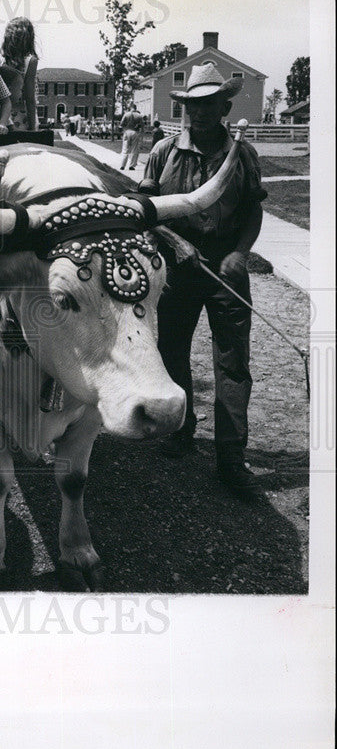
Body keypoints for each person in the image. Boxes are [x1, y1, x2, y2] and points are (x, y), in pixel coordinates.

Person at [138, 63, 267, 498]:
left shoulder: (242, 154)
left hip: (225, 267)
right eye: (192, 105)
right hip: (178, 265)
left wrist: (239, 253)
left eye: (208, 104)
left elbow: (254, 209)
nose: (199, 113)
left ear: (225, 106)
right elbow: (146, 211)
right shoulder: (163, 151)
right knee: (171, 348)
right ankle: (182, 429)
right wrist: (174, 243)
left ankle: (231, 458)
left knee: (232, 361)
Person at [0, 16, 39, 131]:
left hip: (3, 115)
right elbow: (29, 98)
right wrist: (32, 127)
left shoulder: (2, 61)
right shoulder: (30, 61)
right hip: (21, 116)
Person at [118, 102, 144, 170]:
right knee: (134, 149)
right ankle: (131, 165)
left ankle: (122, 165)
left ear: (130, 108)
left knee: (125, 149)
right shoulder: (139, 115)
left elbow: (121, 124)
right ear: (136, 108)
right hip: (135, 132)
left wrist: (124, 130)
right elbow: (142, 126)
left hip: (127, 131)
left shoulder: (126, 114)